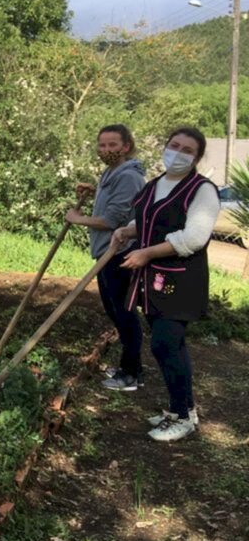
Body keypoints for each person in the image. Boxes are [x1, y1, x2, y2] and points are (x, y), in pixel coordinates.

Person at [110, 126, 220, 442]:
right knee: (172, 345)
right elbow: (148, 218)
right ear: (165, 147)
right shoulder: (156, 184)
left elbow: (194, 237)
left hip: (179, 281)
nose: (179, 153)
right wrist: (128, 231)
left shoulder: (202, 190)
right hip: (153, 279)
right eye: (174, 145)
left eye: (188, 150)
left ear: (197, 157)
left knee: (164, 343)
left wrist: (146, 252)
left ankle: (181, 417)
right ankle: (184, 407)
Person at [65, 125, 146, 391]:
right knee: (114, 311)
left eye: (113, 145)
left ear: (126, 146)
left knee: (123, 313)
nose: (106, 150)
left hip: (119, 253)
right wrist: (94, 189)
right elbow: (113, 204)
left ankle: (131, 374)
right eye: (102, 145)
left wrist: (78, 219)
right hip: (105, 252)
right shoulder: (112, 171)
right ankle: (130, 366)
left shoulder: (128, 177)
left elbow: (112, 220)